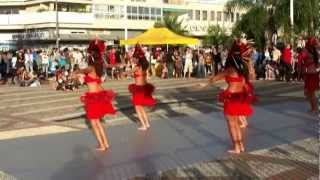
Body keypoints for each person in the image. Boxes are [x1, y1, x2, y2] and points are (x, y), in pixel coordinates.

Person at [197, 40, 256, 154]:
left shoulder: (230, 69)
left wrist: (205, 84)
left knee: (232, 124)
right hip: (240, 97)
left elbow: (215, 78)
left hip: (231, 98)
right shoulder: (242, 69)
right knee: (237, 124)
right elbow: (248, 81)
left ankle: (236, 147)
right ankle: (241, 146)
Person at [79, 39, 116, 151]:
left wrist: (76, 72)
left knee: (94, 123)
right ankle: (105, 143)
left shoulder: (91, 68)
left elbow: (80, 70)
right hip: (96, 97)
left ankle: (102, 145)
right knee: (97, 122)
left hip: (92, 99)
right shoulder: (97, 69)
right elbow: (97, 84)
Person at [128, 44, 156, 131]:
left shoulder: (137, 67)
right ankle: (147, 123)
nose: (133, 59)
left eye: (134, 58)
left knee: (137, 108)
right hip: (143, 88)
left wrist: (123, 71)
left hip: (138, 89)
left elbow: (128, 73)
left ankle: (143, 125)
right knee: (141, 107)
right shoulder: (143, 66)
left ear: (138, 59)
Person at [298, 37, 319, 114]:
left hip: (310, 74)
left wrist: (299, 72)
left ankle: (315, 109)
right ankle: (314, 108)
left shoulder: (307, 51)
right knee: (308, 92)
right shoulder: (314, 51)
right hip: (311, 74)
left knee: (310, 92)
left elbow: (300, 60)